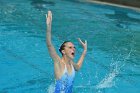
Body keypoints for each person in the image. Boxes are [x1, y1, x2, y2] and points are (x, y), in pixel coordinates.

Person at [46, 10, 87, 93]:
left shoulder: (71, 63)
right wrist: (48, 27)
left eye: (74, 47)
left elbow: (78, 67)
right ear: (63, 51)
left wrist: (84, 51)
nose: (73, 49)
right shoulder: (59, 63)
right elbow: (49, 45)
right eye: (70, 47)